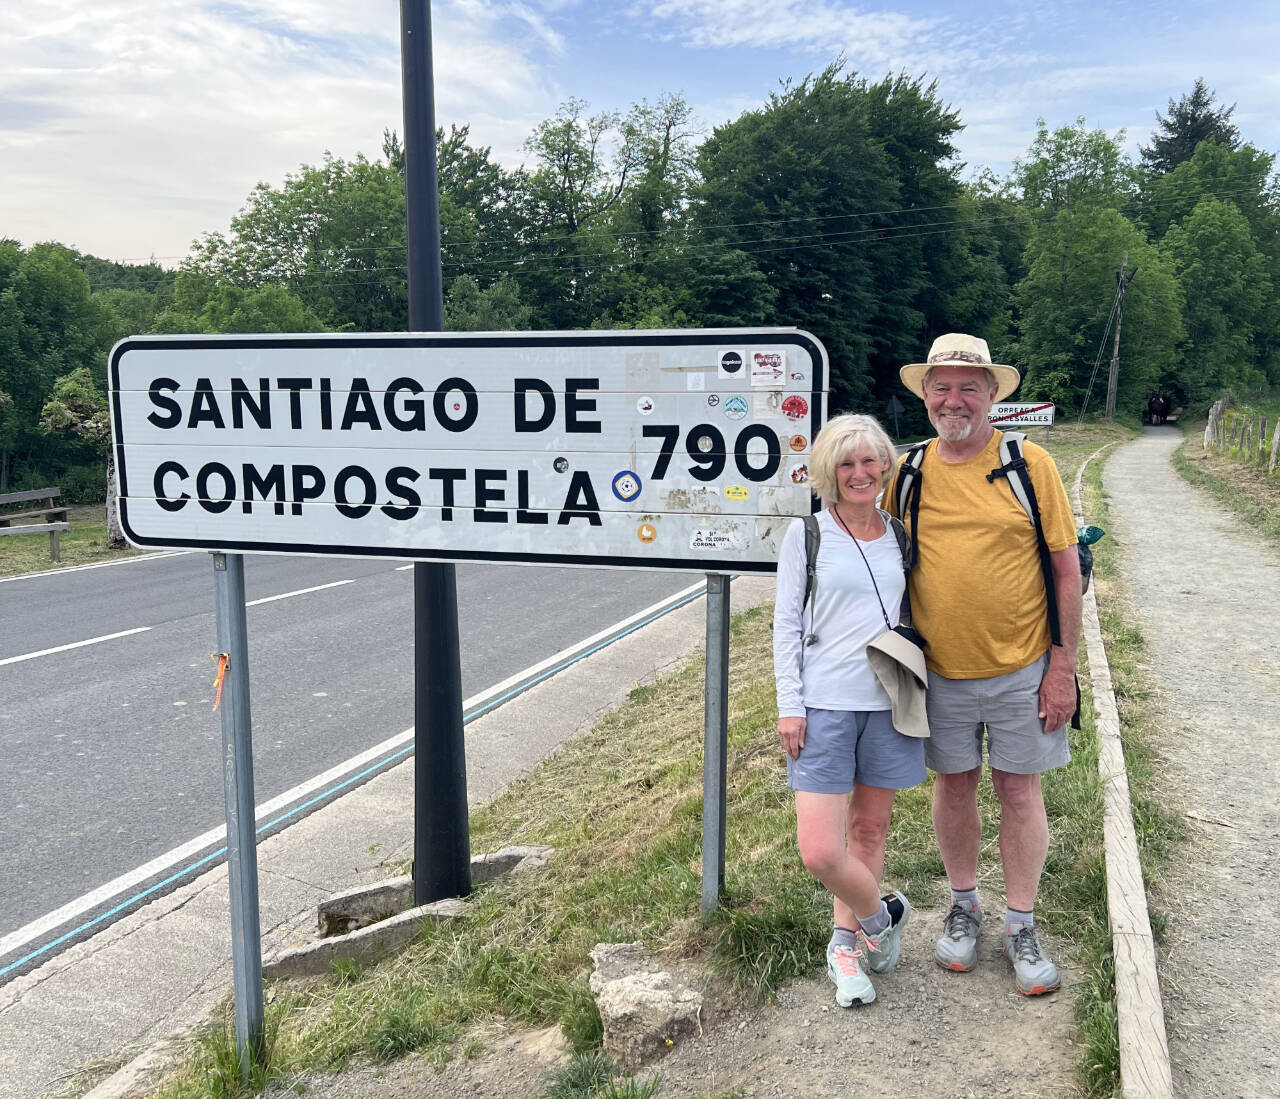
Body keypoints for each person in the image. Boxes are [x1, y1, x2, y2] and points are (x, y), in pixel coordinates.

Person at [886, 333, 1080, 997]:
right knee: (955, 784)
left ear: (994, 394)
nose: (953, 398)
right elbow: (871, 558)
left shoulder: (1032, 465)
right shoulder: (905, 472)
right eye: (941, 386)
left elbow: (1064, 571)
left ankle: (1021, 923)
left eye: (969, 385)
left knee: (1021, 790)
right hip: (938, 671)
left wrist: (1063, 667)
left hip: (1024, 665)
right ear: (925, 396)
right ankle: (965, 905)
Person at [772, 413, 926, 1007]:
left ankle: (846, 948)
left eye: (870, 461)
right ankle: (881, 913)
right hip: (823, 706)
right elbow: (786, 625)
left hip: (887, 701)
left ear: (886, 465)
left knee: (869, 829)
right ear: (827, 472)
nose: (860, 473)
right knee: (820, 850)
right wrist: (791, 704)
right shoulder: (807, 536)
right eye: (846, 463)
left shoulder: (899, 536)